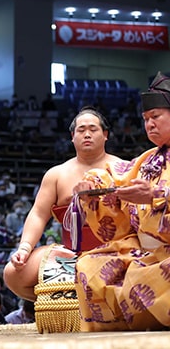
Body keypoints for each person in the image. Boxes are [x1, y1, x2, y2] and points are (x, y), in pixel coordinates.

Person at [73, 72, 170, 331]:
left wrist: (155, 196)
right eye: (146, 119)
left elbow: (152, 193)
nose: (149, 124)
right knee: (90, 265)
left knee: (150, 278)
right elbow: (117, 175)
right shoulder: (147, 160)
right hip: (145, 251)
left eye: (155, 117)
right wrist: (93, 186)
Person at [3, 106, 122, 301]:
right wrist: (24, 248)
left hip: (115, 249)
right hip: (70, 253)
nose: (87, 135)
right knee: (13, 273)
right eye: (81, 130)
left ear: (105, 134)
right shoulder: (57, 174)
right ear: (72, 136)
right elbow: (39, 214)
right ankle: (69, 303)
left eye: (93, 129)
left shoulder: (123, 169)